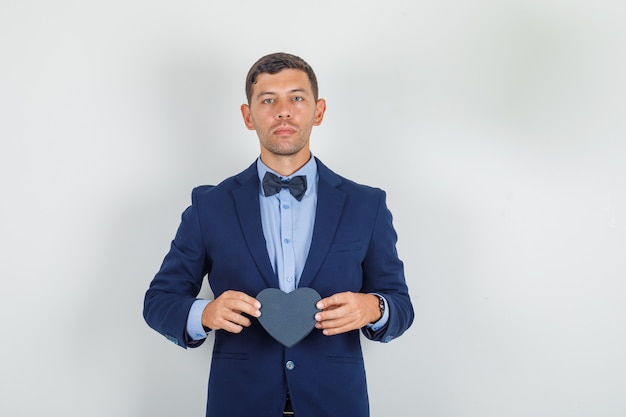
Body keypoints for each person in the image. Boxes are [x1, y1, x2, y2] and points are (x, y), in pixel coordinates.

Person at [143, 52, 414, 417]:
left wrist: (374, 307)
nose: (283, 111)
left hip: (337, 405)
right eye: (268, 100)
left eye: (296, 98)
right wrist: (205, 312)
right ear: (248, 116)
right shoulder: (210, 205)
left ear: (318, 111)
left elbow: (400, 304)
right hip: (238, 404)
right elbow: (159, 300)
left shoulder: (366, 205)